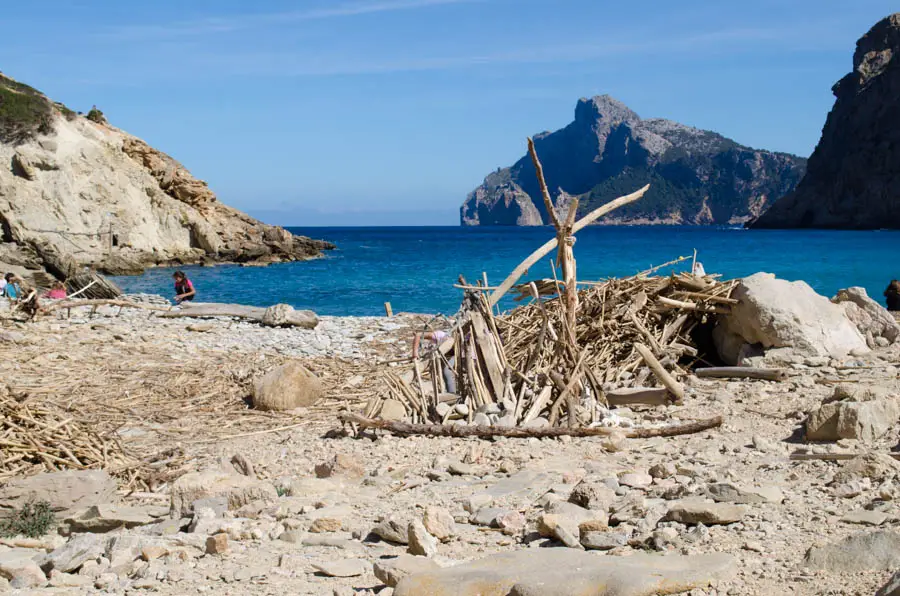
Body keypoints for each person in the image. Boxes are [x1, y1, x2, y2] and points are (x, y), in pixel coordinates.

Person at [412, 327, 457, 394]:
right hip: (442, 356)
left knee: (447, 371)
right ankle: (450, 394)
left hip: (457, 355)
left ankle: (452, 394)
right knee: (444, 373)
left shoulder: (456, 341)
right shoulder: (439, 335)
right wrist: (415, 352)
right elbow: (418, 335)